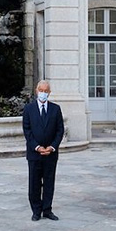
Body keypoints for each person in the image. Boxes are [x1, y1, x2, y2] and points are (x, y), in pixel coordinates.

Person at [23, 80, 65, 221]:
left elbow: (60, 130)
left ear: (49, 93)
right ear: (36, 90)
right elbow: (27, 130)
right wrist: (37, 147)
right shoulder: (29, 109)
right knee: (34, 184)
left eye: (45, 91)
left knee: (49, 183)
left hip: (50, 154)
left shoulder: (55, 109)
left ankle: (47, 209)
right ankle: (36, 211)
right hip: (34, 154)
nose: (43, 93)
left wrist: (52, 147)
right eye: (41, 90)